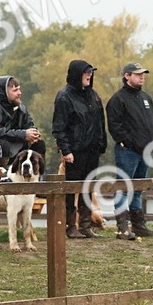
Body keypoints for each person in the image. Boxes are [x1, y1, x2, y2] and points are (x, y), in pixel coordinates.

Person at [106, 62, 153, 240]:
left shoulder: (146, 97)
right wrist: (128, 142)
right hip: (127, 152)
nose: (142, 76)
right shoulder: (117, 100)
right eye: (137, 74)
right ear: (127, 76)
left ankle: (139, 225)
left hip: (145, 151)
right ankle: (122, 226)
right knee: (123, 187)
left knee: (138, 188)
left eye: (143, 74)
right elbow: (116, 127)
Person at [52, 60, 107, 239]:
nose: (90, 75)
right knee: (71, 189)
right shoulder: (64, 97)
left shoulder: (94, 95)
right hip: (74, 152)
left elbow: (100, 122)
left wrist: (101, 144)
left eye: (91, 72)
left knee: (88, 187)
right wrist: (66, 150)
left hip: (92, 150)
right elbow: (59, 127)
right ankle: (69, 226)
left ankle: (85, 225)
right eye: (87, 72)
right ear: (77, 74)